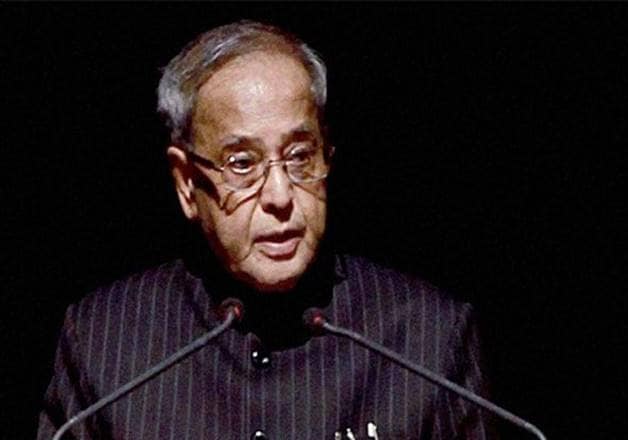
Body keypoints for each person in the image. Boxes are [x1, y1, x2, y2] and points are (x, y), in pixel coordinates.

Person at [37, 20, 496, 439]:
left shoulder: (427, 338)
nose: (280, 195)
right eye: (242, 164)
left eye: (300, 157)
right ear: (186, 183)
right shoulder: (104, 341)